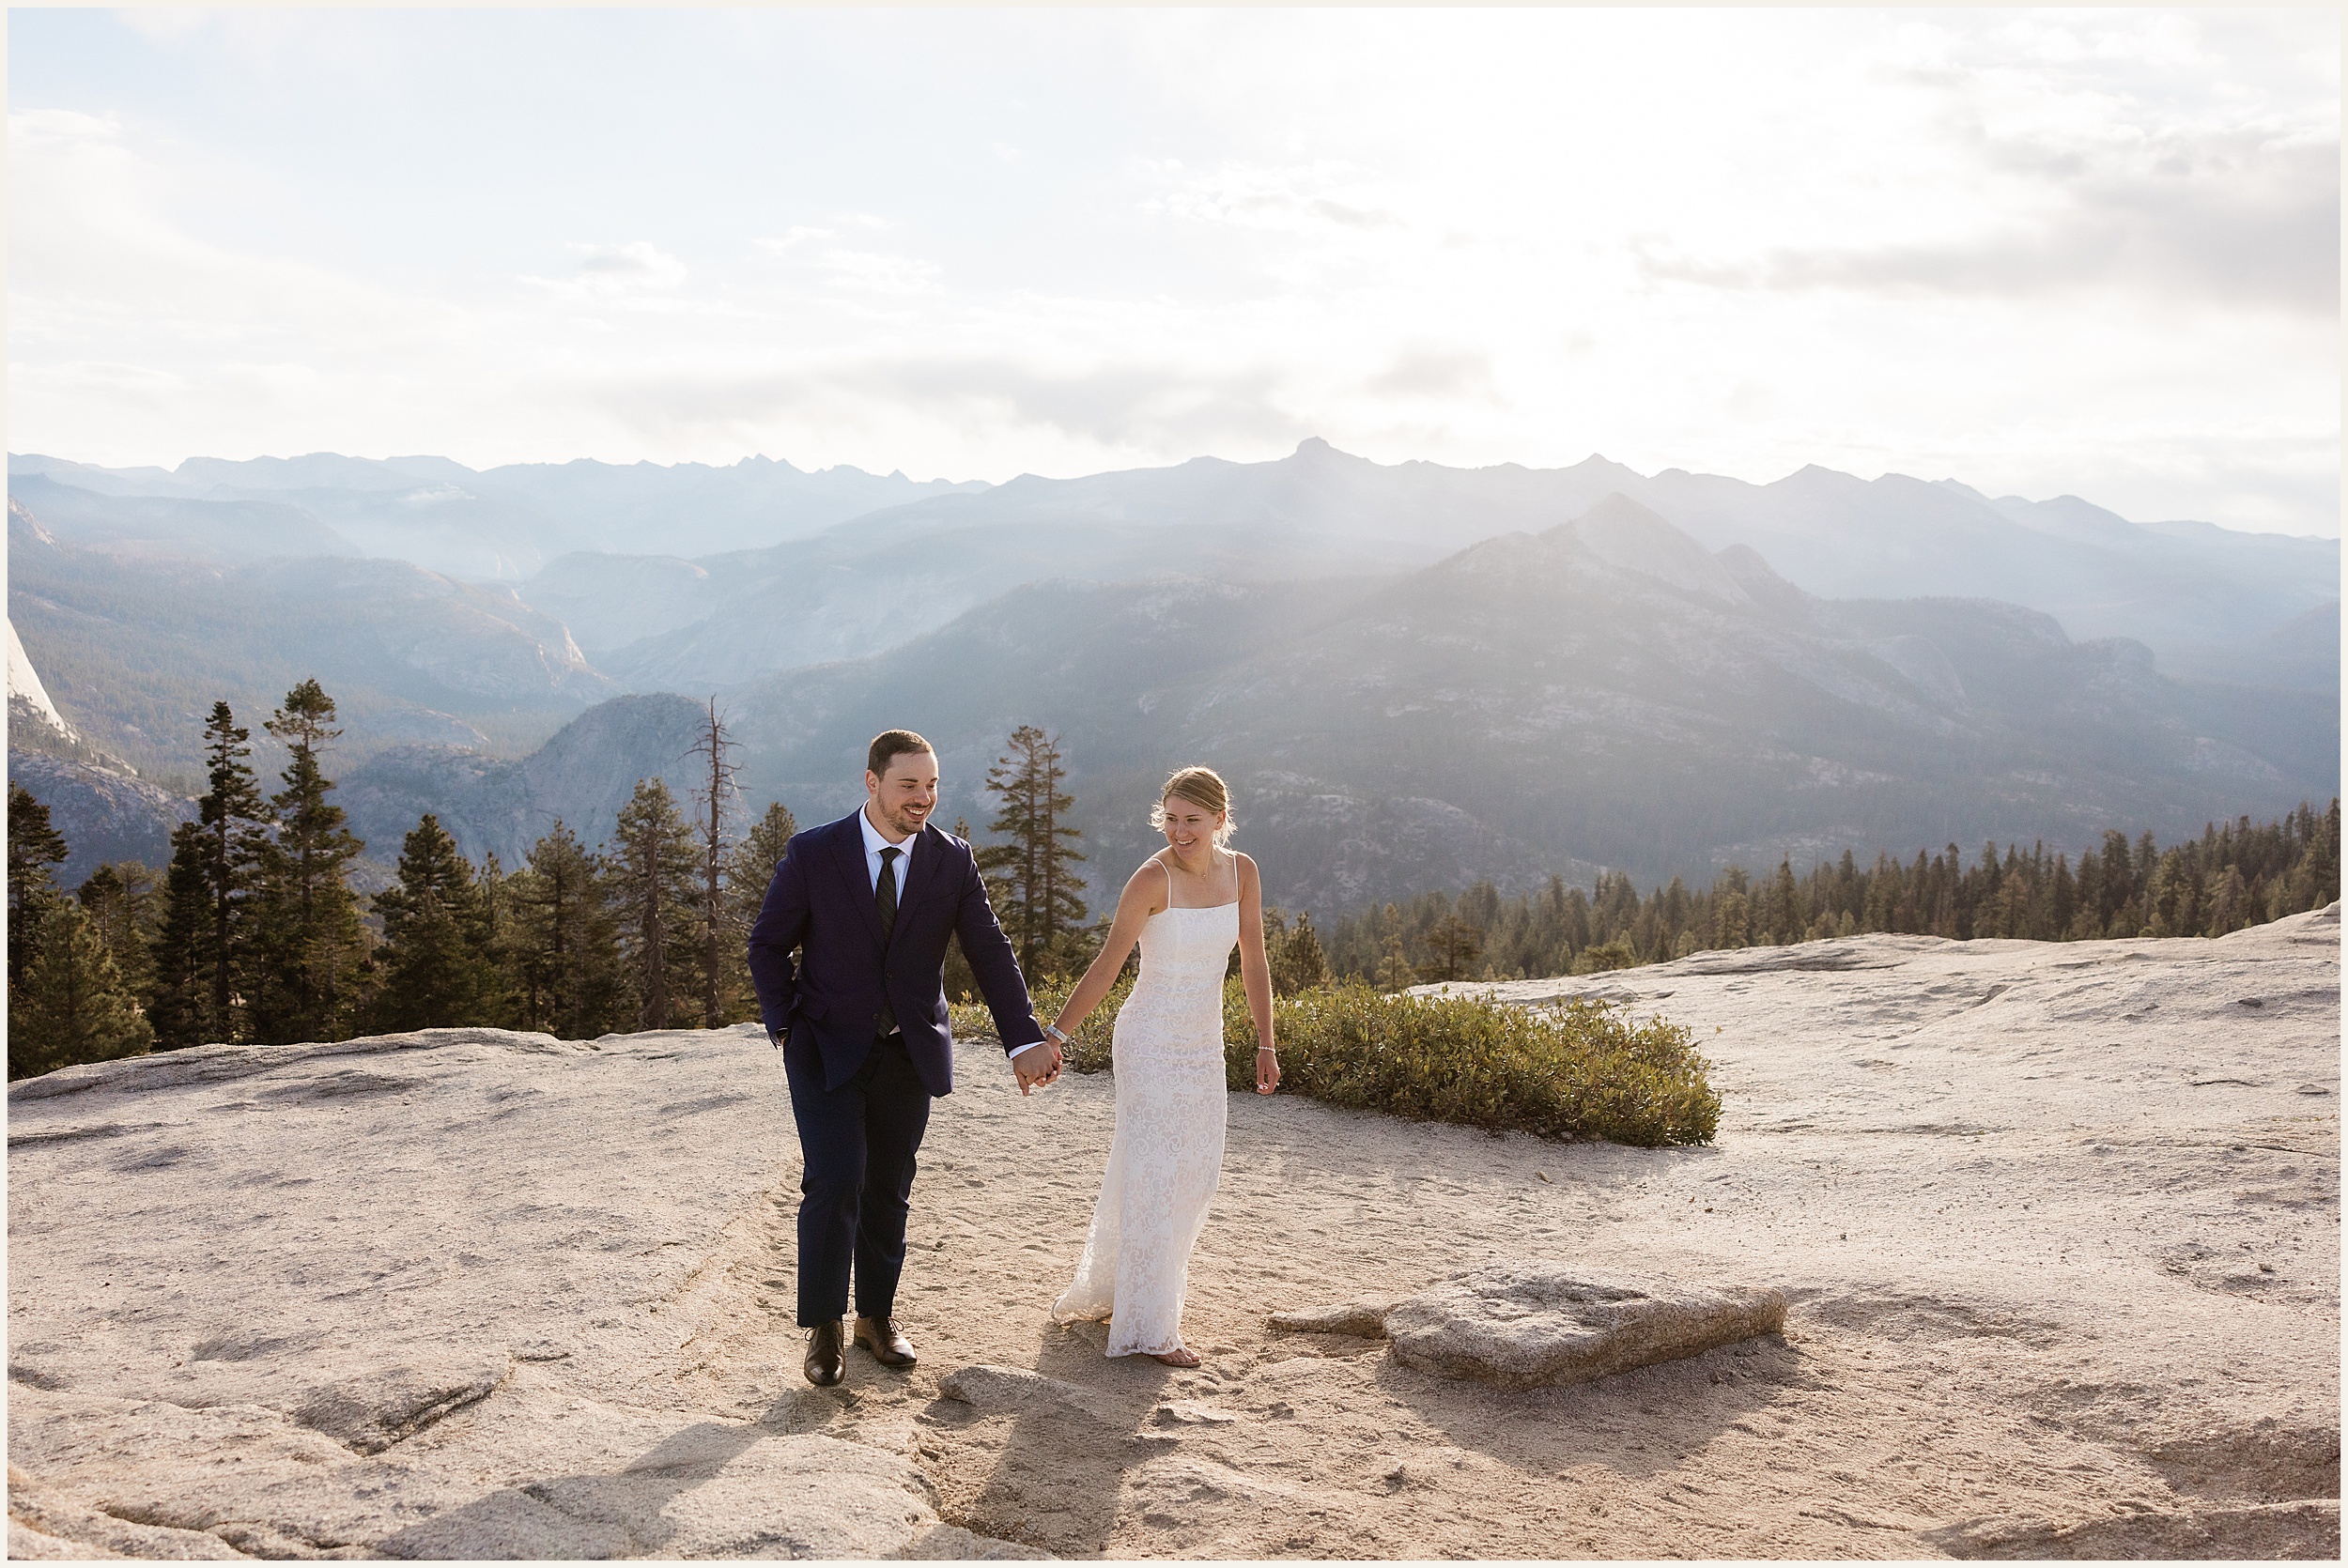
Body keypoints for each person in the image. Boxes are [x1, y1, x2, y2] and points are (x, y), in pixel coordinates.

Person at [748, 729, 1063, 1387]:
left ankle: (876, 1320)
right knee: (834, 1182)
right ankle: (825, 1328)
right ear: (872, 784)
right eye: (908, 785)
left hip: (908, 1052)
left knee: (889, 1188)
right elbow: (767, 945)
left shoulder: (953, 861)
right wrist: (784, 1028)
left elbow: (991, 953)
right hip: (825, 1049)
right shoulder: (813, 854)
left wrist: (1024, 1038)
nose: (924, 798)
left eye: (932, 785)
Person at [1045, 765, 1277, 1367]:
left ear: (1221, 821)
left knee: (1194, 1172)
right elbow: (1108, 963)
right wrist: (1056, 1034)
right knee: (1156, 1171)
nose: (1179, 831)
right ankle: (1151, 1327)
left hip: (1203, 1045)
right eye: (1170, 819)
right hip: (1148, 1041)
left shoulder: (1243, 871)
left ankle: (1126, 1291)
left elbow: (1254, 960)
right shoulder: (1152, 879)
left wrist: (1266, 1042)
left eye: (1192, 821)